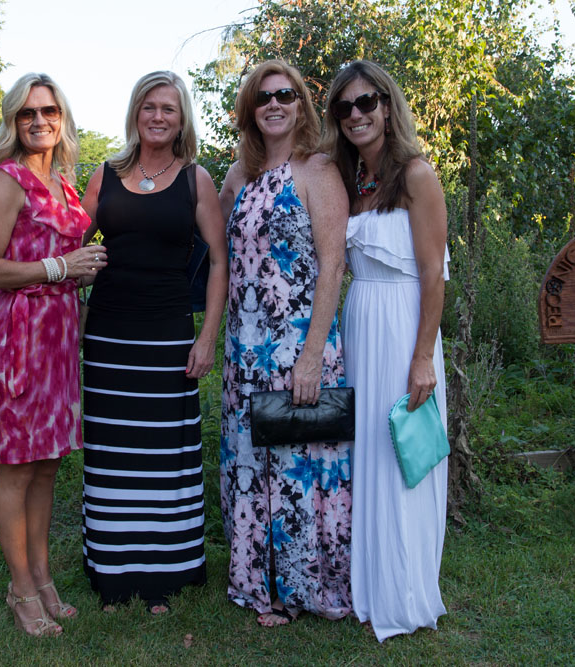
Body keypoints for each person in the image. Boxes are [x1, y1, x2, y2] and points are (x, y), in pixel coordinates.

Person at [79, 71, 227, 613]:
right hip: (110, 336)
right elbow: (74, 246)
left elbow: (219, 262)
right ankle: (114, 573)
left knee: (164, 455)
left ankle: (166, 571)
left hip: (168, 339)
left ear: (182, 117)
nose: (158, 116)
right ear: (135, 114)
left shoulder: (196, 180)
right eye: (149, 107)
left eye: (168, 107)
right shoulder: (104, 175)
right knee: (113, 454)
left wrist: (207, 337)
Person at [0, 73, 106, 637]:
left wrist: (85, 267)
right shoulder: (6, 181)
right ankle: (20, 587)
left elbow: (69, 258)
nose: (39, 121)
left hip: (58, 340)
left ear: (62, 118)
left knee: (47, 465)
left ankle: (44, 579)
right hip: (18, 339)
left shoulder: (67, 187)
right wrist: (60, 268)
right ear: (13, 121)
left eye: (48, 111)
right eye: (27, 113)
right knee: (16, 466)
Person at [218, 60, 351, 627]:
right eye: (263, 97)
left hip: (297, 344)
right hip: (242, 349)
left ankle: (303, 586)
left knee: (298, 462)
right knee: (252, 462)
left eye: (286, 95)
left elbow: (332, 265)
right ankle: (259, 585)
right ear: (251, 109)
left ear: (301, 105)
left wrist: (313, 352)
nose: (275, 104)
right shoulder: (236, 176)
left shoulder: (317, 170)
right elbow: (218, 256)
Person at [322, 60, 450, 642]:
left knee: (403, 455)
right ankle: (367, 585)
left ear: (387, 105)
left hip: (403, 326)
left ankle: (405, 591)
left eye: (366, 103)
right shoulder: (352, 182)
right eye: (344, 108)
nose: (356, 115)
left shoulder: (417, 175)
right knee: (367, 454)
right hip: (360, 324)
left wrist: (422, 356)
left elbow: (434, 275)